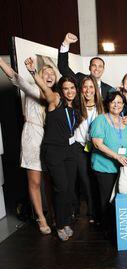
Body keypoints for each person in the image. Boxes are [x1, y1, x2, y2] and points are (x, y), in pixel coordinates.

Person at [25, 57, 81, 241]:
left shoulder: (75, 108)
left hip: (70, 151)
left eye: (72, 88)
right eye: (66, 88)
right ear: (61, 90)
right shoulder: (55, 100)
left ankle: (64, 220)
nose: (70, 91)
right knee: (61, 187)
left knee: (69, 189)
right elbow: (46, 91)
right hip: (54, 151)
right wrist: (34, 73)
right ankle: (60, 224)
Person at [0, 57, 55, 234]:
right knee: (35, 181)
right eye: (45, 73)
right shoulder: (31, 89)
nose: (49, 75)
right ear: (39, 75)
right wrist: (1, 62)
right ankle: (41, 218)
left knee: (50, 181)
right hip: (32, 136)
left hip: (49, 139)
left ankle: (54, 214)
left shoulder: (54, 96)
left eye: (51, 74)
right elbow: (15, 76)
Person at [90, 91, 127, 233]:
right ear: (108, 103)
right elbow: (97, 144)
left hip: (121, 169)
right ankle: (106, 231)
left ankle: (117, 229)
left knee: (118, 200)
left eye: (119, 102)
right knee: (106, 200)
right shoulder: (100, 120)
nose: (116, 105)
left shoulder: (125, 122)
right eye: (113, 102)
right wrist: (116, 157)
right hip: (104, 168)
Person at [73, 75, 104, 223]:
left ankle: (100, 212)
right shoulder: (76, 106)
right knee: (86, 181)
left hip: (97, 148)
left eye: (91, 87)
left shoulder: (101, 107)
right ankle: (92, 213)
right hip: (80, 148)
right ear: (81, 89)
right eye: (85, 87)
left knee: (96, 180)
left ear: (96, 89)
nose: (88, 90)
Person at [58, 33, 113, 99]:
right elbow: (63, 68)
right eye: (94, 65)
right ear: (89, 67)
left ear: (103, 69)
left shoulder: (109, 90)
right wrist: (66, 43)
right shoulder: (79, 79)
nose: (97, 69)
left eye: (100, 66)